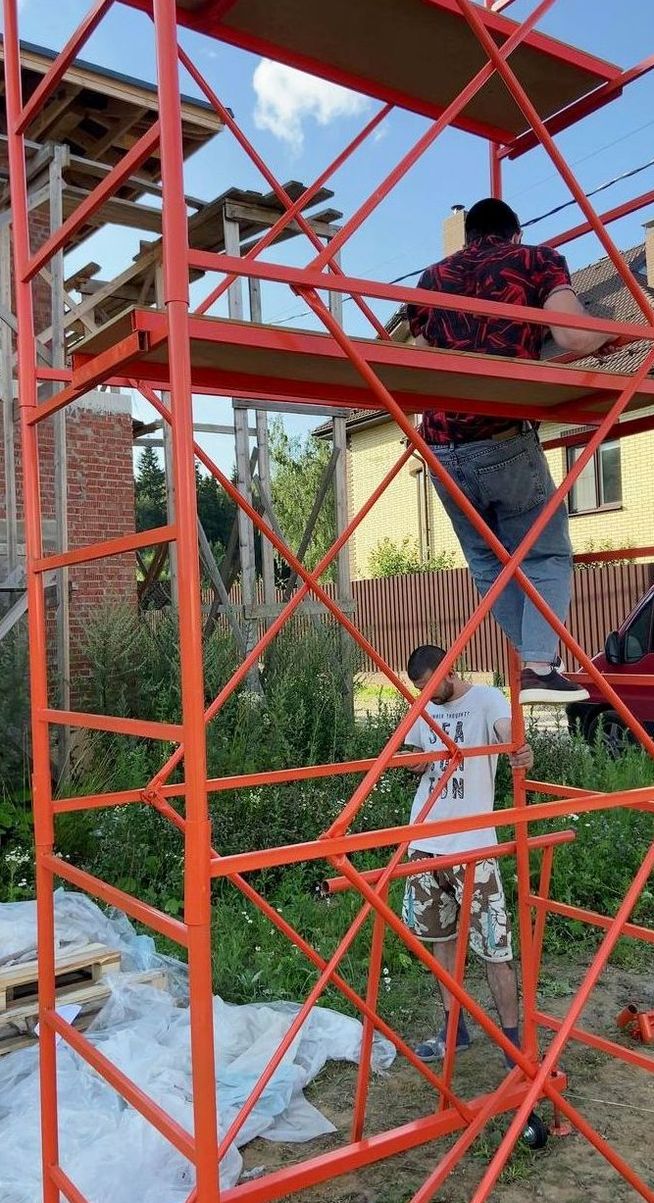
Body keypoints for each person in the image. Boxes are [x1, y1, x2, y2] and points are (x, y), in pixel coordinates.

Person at [406, 198, 613, 705]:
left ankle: (533, 659)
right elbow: (572, 334)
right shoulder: (536, 261)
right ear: (515, 233)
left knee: (487, 561)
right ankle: (539, 666)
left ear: (467, 236)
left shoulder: (432, 279)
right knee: (544, 552)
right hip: (500, 434)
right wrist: (613, 330)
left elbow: (418, 361)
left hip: (440, 445)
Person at [401, 643, 533, 1065]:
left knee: (495, 947)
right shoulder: (425, 707)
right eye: (418, 690)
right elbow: (413, 752)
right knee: (440, 941)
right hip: (425, 842)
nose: (425, 694)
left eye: (428, 686)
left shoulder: (486, 699)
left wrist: (518, 748)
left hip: (473, 846)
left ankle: (512, 1044)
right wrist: (414, 761)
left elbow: (507, 733)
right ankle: (454, 1028)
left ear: (450, 671)